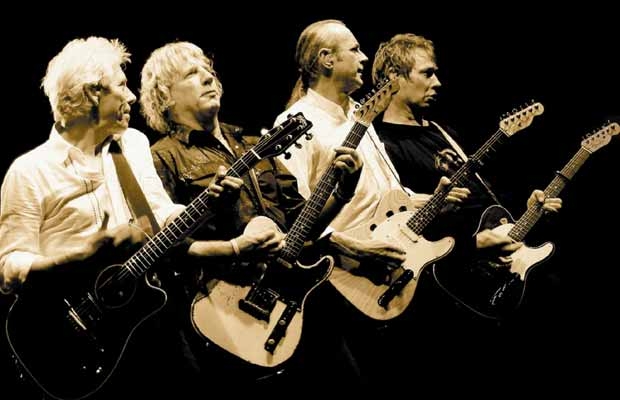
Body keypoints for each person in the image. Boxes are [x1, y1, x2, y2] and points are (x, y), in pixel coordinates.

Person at [0, 37, 279, 399]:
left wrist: (207, 204)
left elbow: (159, 214)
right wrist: (82, 255)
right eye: (121, 86)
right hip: (73, 330)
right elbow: (10, 268)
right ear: (92, 94)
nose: (132, 97)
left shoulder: (131, 143)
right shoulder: (29, 170)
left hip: (149, 315)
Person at [139, 41, 377, 391]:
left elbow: (302, 222)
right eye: (192, 73)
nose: (208, 78)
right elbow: (164, 249)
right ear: (164, 97)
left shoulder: (253, 143)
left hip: (296, 298)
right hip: (228, 314)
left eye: (209, 71)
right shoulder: (162, 158)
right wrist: (233, 247)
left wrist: (343, 190)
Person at [273, 20, 470, 389]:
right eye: (355, 50)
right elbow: (291, 217)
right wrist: (356, 248)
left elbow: (384, 194)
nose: (364, 57)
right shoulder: (297, 123)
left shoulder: (358, 114)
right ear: (326, 59)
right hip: (348, 277)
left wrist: (428, 201)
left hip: (390, 265)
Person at [369, 32, 564, 389]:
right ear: (394, 77)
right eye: (427, 73)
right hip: (450, 281)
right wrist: (474, 245)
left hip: (498, 267)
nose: (438, 82)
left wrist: (525, 212)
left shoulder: (444, 132)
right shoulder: (381, 146)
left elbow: (480, 203)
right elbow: (397, 228)